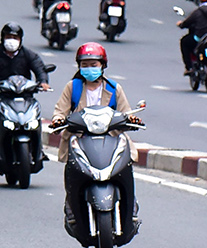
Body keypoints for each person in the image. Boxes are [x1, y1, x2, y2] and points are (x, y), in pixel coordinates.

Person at [48, 44, 139, 241]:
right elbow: (60, 110)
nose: (90, 68)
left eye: (93, 64)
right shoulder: (73, 87)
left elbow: (126, 112)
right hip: (80, 139)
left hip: (111, 139)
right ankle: (72, 208)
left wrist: (131, 120)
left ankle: (131, 206)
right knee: (73, 174)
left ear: (102, 65)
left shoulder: (114, 88)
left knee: (126, 169)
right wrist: (58, 120)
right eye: (85, 64)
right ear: (79, 66)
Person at [0, 23, 51, 157]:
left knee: (35, 115)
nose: (11, 40)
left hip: (25, 96)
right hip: (3, 96)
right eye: (8, 37)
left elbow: (40, 68)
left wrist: (43, 82)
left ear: (20, 40)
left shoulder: (27, 54)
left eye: (15, 37)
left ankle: (38, 150)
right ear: (3, 38)